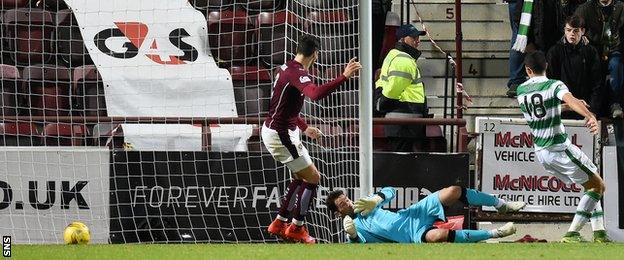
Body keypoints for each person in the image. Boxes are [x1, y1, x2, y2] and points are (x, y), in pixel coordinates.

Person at [263, 35, 361, 244]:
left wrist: (305, 128)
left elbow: (284, 107)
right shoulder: (298, 73)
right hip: (280, 134)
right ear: (315, 54)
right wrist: (343, 76)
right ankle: (297, 227)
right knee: (314, 178)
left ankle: (280, 222)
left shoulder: (284, 68)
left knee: (301, 177)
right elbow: (315, 94)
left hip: (279, 129)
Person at [516, 51, 610, 242]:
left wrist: (567, 107)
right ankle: (572, 233)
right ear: (547, 66)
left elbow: (545, 109)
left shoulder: (520, 91)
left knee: (590, 184)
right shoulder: (554, 85)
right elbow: (570, 99)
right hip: (559, 148)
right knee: (598, 186)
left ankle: (599, 233)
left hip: (542, 152)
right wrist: (589, 115)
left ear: (528, 70)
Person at [325, 186, 526, 243]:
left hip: (412, 213)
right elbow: (358, 245)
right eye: (343, 204)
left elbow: (390, 191)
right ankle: (495, 234)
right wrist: (352, 235)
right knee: (437, 236)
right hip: (411, 235)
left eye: (347, 199)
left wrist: (377, 198)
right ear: (337, 213)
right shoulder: (353, 226)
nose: (348, 203)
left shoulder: (365, 204)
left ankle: (501, 204)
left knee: (453, 191)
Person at [374, 24, 428, 152]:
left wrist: (380, 104)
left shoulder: (395, 56)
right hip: (404, 121)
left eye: (418, 37)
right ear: (403, 39)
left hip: (401, 121)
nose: (418, 40)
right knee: (403, 164)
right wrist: (382, 104)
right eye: (414, 37)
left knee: (401, 162)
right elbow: (393, 91)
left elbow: (383, 84)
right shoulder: (403, 59)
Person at [546, 15, 603, 119]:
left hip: (586, 109)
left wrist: (592, 111)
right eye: (568, 30)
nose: (571, 34)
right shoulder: (554, 52)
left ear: (583, 31)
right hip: (562, 111)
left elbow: (597, 83)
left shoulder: (591, 51)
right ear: (564, 30)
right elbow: (550, 83)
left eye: (575, 31)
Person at [575, 0, 624, 118]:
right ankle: (589, 105)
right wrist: (582, 36)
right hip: (593, 50)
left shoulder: (620, 7)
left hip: (614, 49)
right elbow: (574, 24)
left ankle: (615, 103)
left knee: (616, 64)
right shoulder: (586, 7)